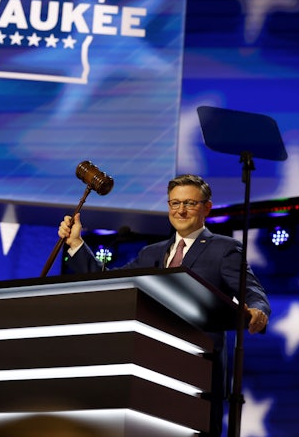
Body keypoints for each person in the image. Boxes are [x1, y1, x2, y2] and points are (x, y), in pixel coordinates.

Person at [57, 173, 270, 437]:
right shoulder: (152, 253)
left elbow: (251, 290)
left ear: (207, 207)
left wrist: (257, 308)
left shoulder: (224, 249)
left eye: (189, 204)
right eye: (174, 203)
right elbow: (111, 282)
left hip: (200, 371)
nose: (181, 210)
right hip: (152, 369)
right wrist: (77, 243)